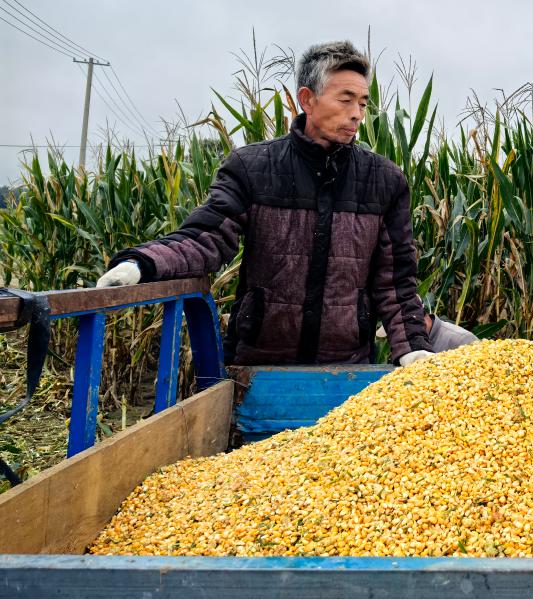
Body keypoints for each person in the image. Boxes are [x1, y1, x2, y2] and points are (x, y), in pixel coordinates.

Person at [96, 40, 476, 366]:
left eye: (363, 103)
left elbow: (395, 281)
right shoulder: (252, 168)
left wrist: (412, 348)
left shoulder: (383, 181)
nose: (357, 114)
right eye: (346, 100)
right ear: (307, 99)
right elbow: (206, 238)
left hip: (345, 369)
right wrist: (142, 263)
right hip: (258, 363)